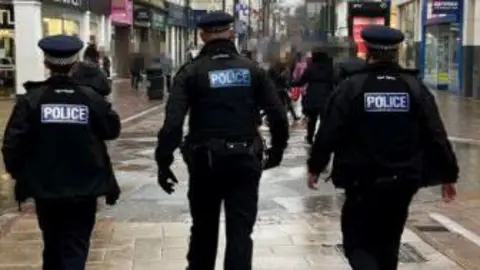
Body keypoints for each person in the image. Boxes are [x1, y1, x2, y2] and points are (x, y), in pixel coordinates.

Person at [307, 25, 459, 270]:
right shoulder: (414, 87)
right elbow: (436, 133)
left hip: (361, 181)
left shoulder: (351, 87)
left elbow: (328, 131)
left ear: (367, 51)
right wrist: (448, 174)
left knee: (356, 244)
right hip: (402, 181)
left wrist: (315, 166)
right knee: (389, 243)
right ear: (397, 52)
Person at [154, 11, 289, 270]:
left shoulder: (191, 72)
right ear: (230, 33)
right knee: (240, 233)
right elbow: (277, 114)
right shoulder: (252, 70)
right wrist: (277, 149)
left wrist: (164, 161)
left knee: (204, 230)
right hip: (245, 158)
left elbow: (172, 123)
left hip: (206, 162)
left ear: (203, 35)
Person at [2, 35, 121, 270]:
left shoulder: (32, 100)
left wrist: (21, 176)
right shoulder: (91, 98)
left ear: (46, 64)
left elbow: (11, 144)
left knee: (53, 245)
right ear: (75, 64)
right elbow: (111, 130)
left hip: (46, 188)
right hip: (84, 188)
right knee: (75, 247)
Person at [291, 47, 334, 144]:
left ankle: (310, 137)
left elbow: (302, 81)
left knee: (312, 119)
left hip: (313, 97)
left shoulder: (311, 68)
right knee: (325, 119)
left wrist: (292, 83)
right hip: (326, 96)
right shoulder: (329, 68)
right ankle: (322, 137)